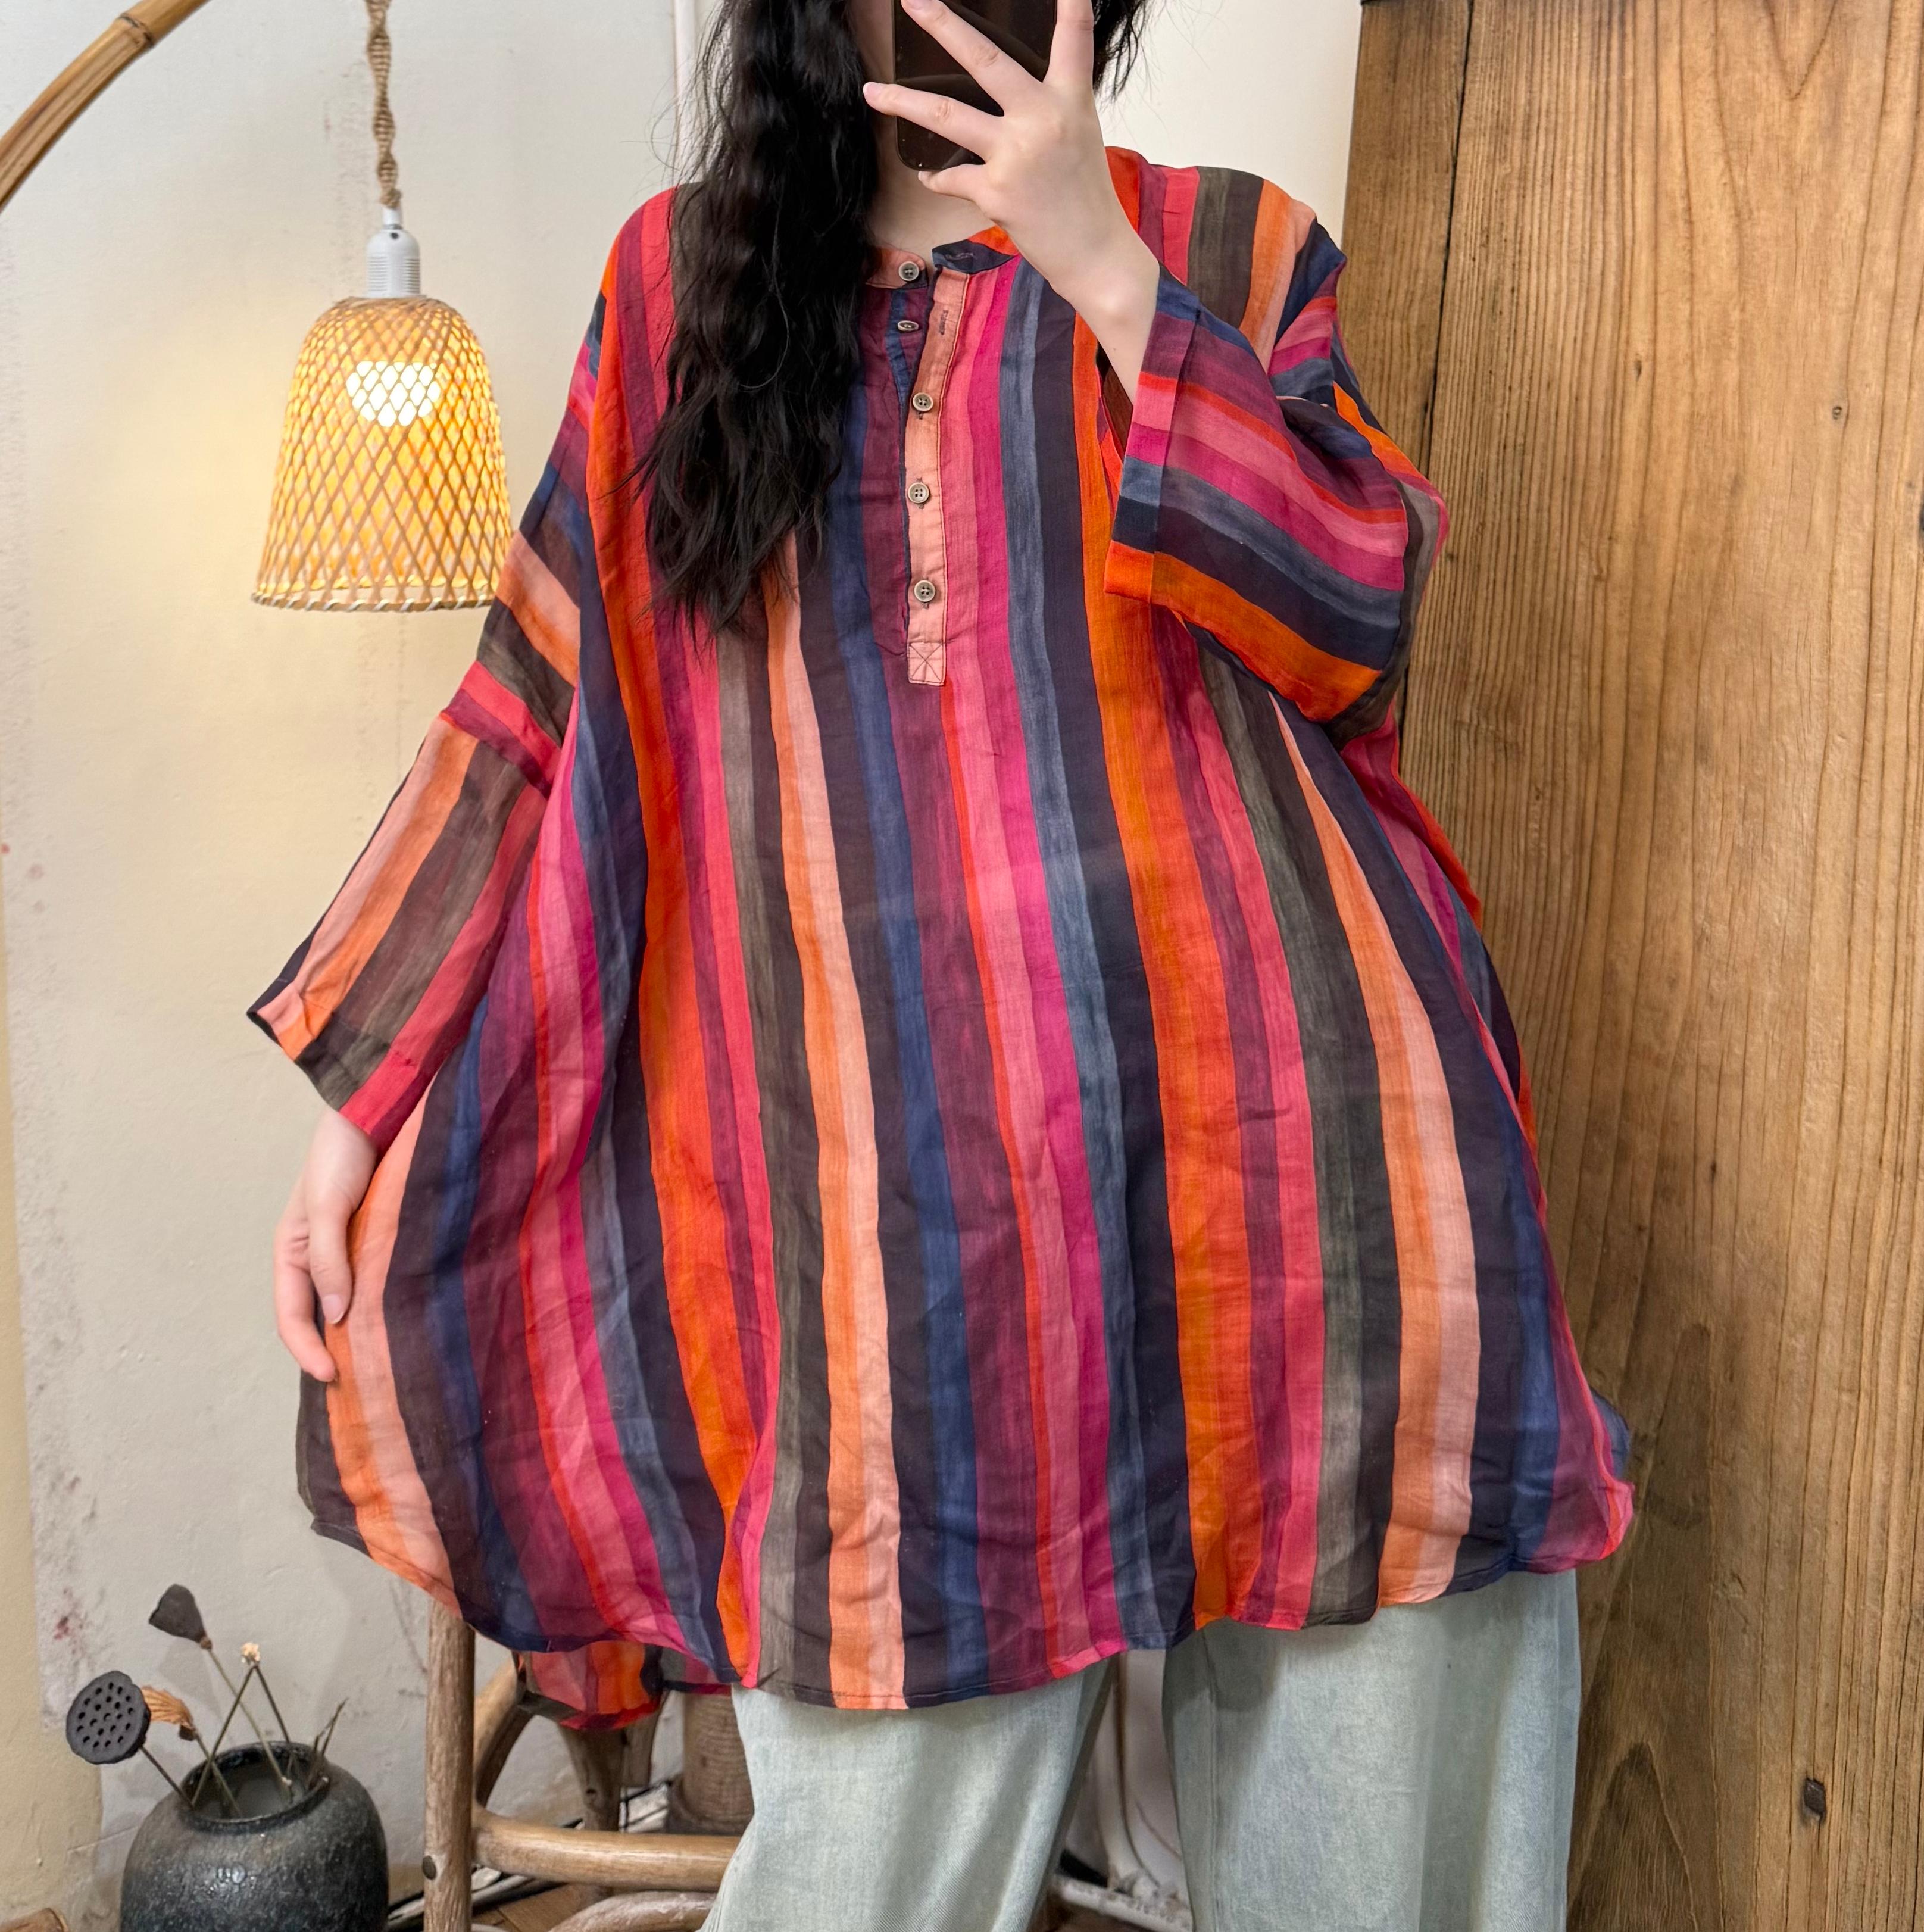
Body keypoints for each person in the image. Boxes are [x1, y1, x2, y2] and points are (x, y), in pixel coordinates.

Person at [252, 0, 1634, 1922]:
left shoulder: (1230, 244)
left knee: (1377, 1866)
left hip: (1314, 1204)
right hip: (889, 1260)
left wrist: (1109, 272)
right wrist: (356, 1104)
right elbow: (537, 706)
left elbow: (1353, 618)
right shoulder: (682, 291)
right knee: (868, 1869)